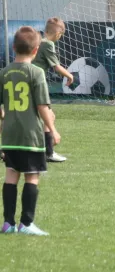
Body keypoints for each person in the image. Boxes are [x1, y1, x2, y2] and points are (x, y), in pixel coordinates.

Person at [0, 26, 61, 236]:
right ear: (36, 50)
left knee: (10, 174)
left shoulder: (4, 72)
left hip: (9, 136)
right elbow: (42, 106)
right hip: (30, 136)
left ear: (14, 47)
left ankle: (7, 223)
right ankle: (26, 224)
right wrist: (53, 130)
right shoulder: (37, 72)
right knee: (32, 176)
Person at [32, 17, 73, 163]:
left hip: (30, 83)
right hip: (36, 85)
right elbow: (56, 67)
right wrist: (69, 75)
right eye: (61, 34)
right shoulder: (48, 44)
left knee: (46, 117)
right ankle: (48, 152)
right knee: (48, 117)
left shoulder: (38, 41)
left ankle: (44, 149)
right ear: (57, 33)